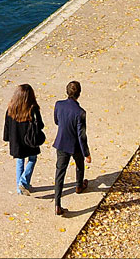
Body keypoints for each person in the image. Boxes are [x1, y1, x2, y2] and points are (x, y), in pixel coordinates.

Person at [52, 81, 91, 216]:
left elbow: (56, 121)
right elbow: (82, 135)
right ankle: (79, 185)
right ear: (79, 94)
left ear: (67, 92)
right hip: (75, 145)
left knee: (60, 173)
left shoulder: (58, 105)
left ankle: (57, 204)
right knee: (79, 165)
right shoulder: (81, 113)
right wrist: (87, 153)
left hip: (62, 143)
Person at [3, 83, 45, 196]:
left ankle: (19, 188)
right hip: (30, 140)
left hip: (16, 140)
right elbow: (40, 125)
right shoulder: (33, 109)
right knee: (32, 159)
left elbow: (7, 125)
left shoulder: (11, 108)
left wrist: (7, 137)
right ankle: (23, 182)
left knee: (19, 161)